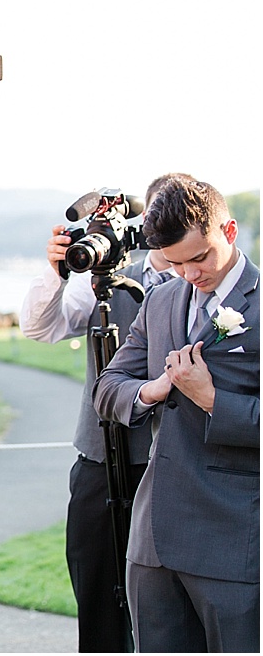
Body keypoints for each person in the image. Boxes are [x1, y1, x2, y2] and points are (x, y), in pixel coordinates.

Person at [19, 174, 185, 652]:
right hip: (100, 460)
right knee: (96, 592)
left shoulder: (201, 284)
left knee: (169, 604)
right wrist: (57, 271)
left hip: (172, 462)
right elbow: (39, 328)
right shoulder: (107, 280)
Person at [93, 176, 259, 653]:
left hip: (234, 540)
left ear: (229, 231)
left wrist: (212, 400)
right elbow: (108, 388)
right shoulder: (161, 299)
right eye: (176, 261)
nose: (189, 273)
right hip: (153, 540)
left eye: (200, 257)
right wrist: (153, 389)